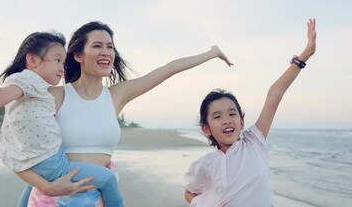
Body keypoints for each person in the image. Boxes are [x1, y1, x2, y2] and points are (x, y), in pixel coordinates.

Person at [14, 21, 234, 206]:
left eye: (110, 47)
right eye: (98, 46)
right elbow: (18, 152)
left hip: (98, 195)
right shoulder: (55, 95)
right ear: (79, 55)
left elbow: (169, 69)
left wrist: (212, 53)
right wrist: (47, 186)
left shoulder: (116, 95)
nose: (106, 52)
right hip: (53, 197)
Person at [0, 31, 124, 207]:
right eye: (57, 60)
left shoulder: (37, 91)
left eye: (62, 62)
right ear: (32, 59)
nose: (61, 68)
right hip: (55, 164)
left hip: (35, 162)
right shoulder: (28, 80)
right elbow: (5, 93)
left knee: (29, 192)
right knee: (107, 179)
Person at [183, 18, 317, 206]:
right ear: (206, 128)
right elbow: (189, 192)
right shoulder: (206, 163)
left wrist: (305, 55)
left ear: (242, 122)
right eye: (217, 116)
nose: (227, 120)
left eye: (232, 114)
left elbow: (274, 95)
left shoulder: (254, 142)